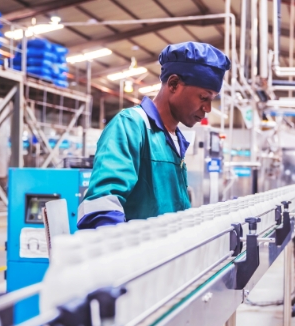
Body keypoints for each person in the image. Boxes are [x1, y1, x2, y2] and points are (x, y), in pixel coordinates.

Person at [77, 42, 231, 229]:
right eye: (203, 97)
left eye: (211, 100)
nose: (207, 109)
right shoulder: (131, 125)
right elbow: (103, 203)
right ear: (174, 84)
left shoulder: (174, 139)